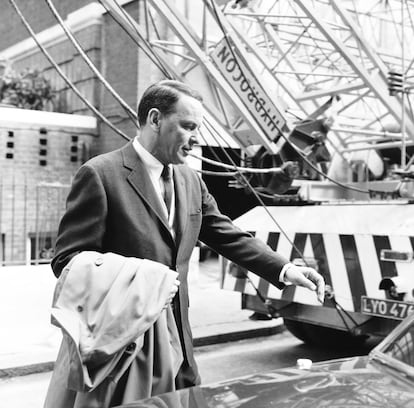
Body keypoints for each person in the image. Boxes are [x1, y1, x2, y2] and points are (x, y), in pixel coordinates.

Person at [45, 79, 324, 407]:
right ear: (154, 119)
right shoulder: (99, 174)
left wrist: (286, 270)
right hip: (125, 346)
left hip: (181, 343)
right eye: (188, 126)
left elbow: (226, 234)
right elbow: (67, 259)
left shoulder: (191, 179)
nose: (195, 139)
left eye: (198, 129)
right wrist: (144, 279)